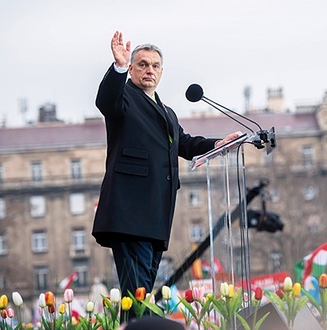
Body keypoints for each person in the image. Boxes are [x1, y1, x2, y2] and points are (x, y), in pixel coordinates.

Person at [92, 31, 242, 301]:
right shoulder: (123, 98)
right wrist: (118, 67)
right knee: (135, 294)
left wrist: (219, 144)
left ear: (162, 72)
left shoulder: (167, 112)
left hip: (156, 215)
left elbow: (184, 144)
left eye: (155, 66)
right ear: (132, 68)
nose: (149, 70)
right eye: (142, 64)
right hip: (130, 214)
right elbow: (106, 100)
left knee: (140, 295)